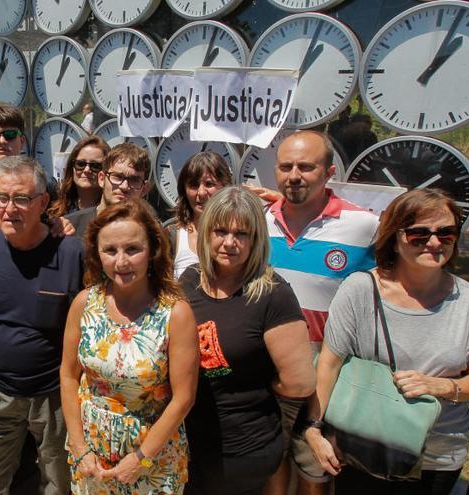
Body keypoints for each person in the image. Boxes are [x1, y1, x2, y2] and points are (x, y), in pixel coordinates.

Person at [303, 189, 469, 495]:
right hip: (364, 442)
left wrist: (442, 386)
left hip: (437, 454)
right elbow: (328, 364)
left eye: (446, 233)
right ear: (395, 237)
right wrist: (313, 428)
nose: (434, 243)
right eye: (419, 234)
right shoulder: (359, 290)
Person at [0, 156, 84, 495]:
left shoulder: (71, 252)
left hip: (54, 396)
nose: (10, 208)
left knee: (59, 483)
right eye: (2, 198)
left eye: (21, 198)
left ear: (43, 202)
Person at [263, 130, 379, 495]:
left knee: (315, 474)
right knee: (273, 465)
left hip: (326, 374)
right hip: (268, 371)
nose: (294, 175)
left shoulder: (364, 225)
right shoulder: (259, 221)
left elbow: (408, 271)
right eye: (286, 166)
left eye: (306, 166)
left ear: (329, 171)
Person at [179, 186, 315, 495]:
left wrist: (255, 384)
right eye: (221, 231)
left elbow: (300, 383)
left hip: (241, 449)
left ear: (256, 240)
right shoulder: (189, 280)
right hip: (188, 441)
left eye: (242, 234)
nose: (229, 242)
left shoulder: (273, 294)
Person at [60, 199, 198, 494]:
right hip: (92, 455)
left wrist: (140, 459)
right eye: (110, 250)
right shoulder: (84, 303)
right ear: (97, 254)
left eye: (132, 249)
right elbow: (69, 376)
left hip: (152, 457)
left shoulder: (175, 312)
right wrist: (79, 447)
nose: (121, 262)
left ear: (152, 251)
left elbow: (184, 398)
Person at [165, 151, 232, 279]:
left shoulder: (240, 237)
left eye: (209, 184)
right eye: (193, 185)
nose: (201, 193)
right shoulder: (173, 236)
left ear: (225, 186)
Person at [65, 143, 152, 238]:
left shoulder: (151, 234)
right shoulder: (69, 227)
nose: (124, 186)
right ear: (101, 179)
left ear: (144, 189)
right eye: (117, 177)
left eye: (134, 180)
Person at [49, 136, 110, 218]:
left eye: (95, 166)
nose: (87, 170)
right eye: (81, 164)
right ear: (72, 167)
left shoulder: (112, 215)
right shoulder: (56, 212)